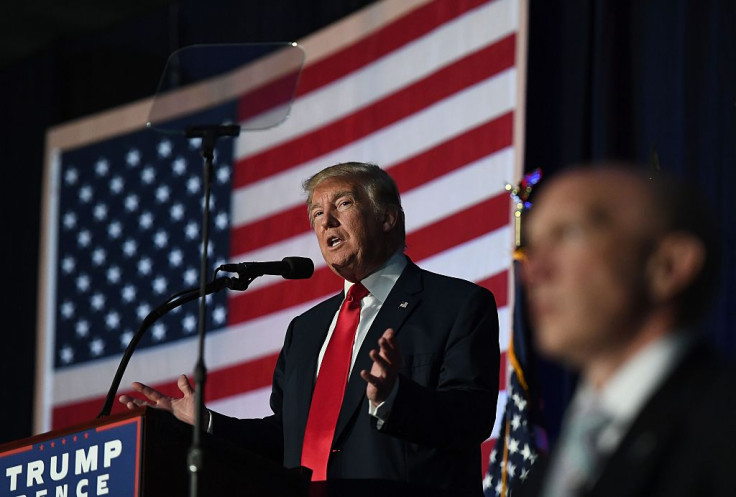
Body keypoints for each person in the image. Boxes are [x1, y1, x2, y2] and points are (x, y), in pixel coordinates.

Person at [120, 162, 500, 496]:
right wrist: (204, 423)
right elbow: (284, 439)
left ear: (387, 217)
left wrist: (393, 397)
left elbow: (471, 418)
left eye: (343, 204)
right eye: (316, 213)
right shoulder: (304, 330)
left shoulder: (457, 304)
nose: (326, 221)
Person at [516, 164, 736, 497]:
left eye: (570, 234)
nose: (534, 272)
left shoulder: (722, 431)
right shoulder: (545, 475)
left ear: (669, 266)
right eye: (533, 246)